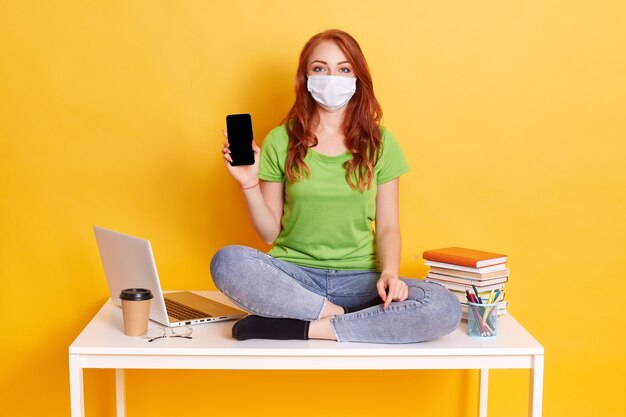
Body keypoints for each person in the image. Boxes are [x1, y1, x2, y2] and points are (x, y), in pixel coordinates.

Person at [210, 29, 460, 343]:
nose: (332, 77)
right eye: (320, 68)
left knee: (443, 306)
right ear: (305, 77)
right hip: (295, 278)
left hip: (361, 280)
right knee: (227, 261)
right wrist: (248, 184)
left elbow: (387, 228)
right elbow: (270, 234)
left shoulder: (382, 143)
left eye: (343, 69)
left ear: (358, 77)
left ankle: (303, 328)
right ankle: (341, 317)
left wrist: (390, 274)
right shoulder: (279, 140)